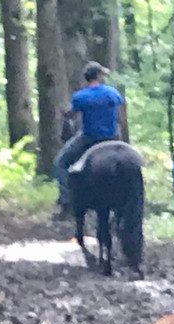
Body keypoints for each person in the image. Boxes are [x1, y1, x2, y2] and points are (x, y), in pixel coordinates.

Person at [53, 61, 125, 217]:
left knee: (60, 162)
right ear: (98, 76)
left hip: (89, 138)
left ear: (86, 78)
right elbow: (120, 119)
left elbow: (72, 114)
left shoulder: (80, 96)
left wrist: (64, 114)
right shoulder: (113, 93)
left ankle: (66, 201)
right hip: (112, 137)